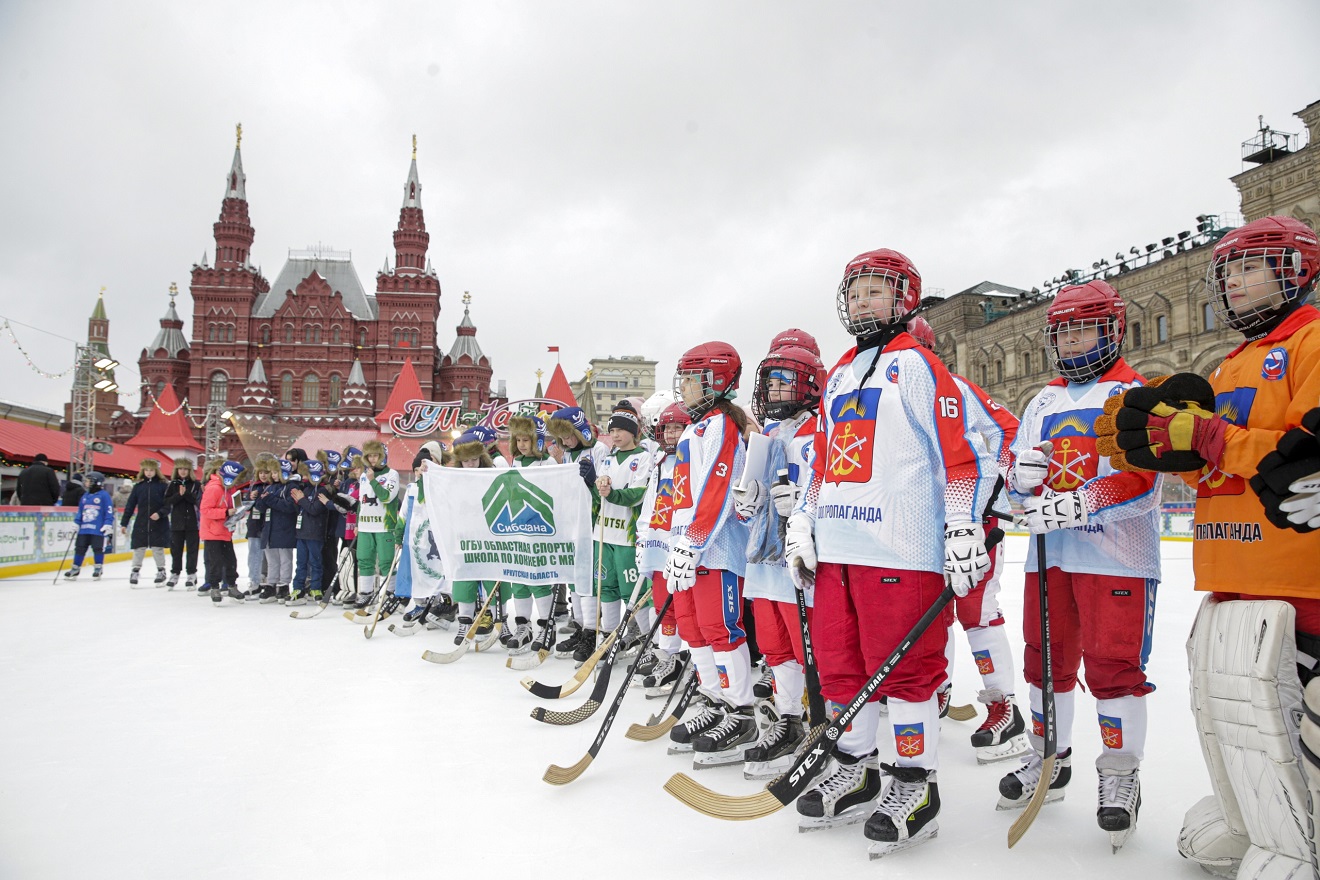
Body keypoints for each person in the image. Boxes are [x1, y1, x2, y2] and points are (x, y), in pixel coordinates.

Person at [1095, 216, 1320, 872]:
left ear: (1296, 270)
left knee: (1301, 713)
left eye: (1250, 267)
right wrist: (1163, 449)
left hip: (1296, 572)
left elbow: (1304, 450)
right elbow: (1213, 463)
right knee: (1238, 710)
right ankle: (1259, 817)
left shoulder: (1311, 341)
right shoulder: (1228, 363)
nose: (1233, 282)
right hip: (1230, 565)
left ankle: (1305, 834)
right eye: (1227, 271)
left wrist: (1215, 439)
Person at [783, 249, 1000, 853]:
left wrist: (962, 528)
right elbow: (820, 463)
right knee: (841, 666)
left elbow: (961, 459)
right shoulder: (842, 374)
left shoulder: (921, 366)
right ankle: (857, 768)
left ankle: (914, 783)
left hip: (902, 550)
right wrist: (802, 520)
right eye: (854, 293)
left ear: (905, 299)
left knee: (907, 674)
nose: (862, 302)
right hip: (838, 550)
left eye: (876, 292)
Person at [1001, 280, 1161, 851]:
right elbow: (1018, 481)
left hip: (1116, 556)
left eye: (1083, 328)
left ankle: (1119, 773)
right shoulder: (1042, 401)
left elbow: (1142, 480)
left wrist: (1078, 501)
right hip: (1051, 558)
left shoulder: (1136, 391)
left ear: (1113, 329)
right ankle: (1050, 755)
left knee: (1112, 665)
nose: (1071, 341)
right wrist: (1020, 486)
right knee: (1047, 660)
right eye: (1063, 330)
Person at [909, 315, 1027, 762]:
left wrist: (996, 486)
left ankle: (1003, 707)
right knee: (927, 613)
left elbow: (1009, 429)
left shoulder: (954, 387)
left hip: (969, 522)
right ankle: (936, 688)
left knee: (976, 611)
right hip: (919, 528)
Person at [732, 337, 825, 777]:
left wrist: (803, 507)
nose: (772, 390)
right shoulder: (766, 435)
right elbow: (750, 495)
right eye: (769, 381)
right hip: (763, 555)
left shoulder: (821, 428)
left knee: (808, 644)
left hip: (798, 557)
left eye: (783, 381)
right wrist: (747, 503)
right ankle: (789, 719)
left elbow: (832, 486)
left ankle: (821, 720)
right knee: (773, 644)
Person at [662, 341, 757, 768]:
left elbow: (716, 493)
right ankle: (716, 699)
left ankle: (742, 712)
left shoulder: (723, 424)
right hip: (686, 548)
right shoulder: (692, 428)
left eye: (689, 379)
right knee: (693, 628)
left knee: (720, 626)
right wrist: (673, 543)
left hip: (715, 549)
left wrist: (692, 543)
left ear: (714, 381)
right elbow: (681, 495)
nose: (682, 387)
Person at [587, 401, 656, 662]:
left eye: (620, 430)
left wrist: (612, 493)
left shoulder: (644, 458)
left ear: (633, 431)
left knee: (632, 592)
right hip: (603, 534)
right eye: (611, 430)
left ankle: (647, 642)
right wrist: (597, 485)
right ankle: (609, 638)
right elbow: (599, 494)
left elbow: (638, 495)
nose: (615, 435)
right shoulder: (607, 458)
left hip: (627, 537)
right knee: (606, 587)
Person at [545, 405, 611, 656]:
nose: (564, 441)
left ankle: (592, 632)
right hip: (572, 523)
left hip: (593, 522)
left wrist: (592, 479)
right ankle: (581, 626)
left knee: (590, 579)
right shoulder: (568, 455)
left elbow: (603, 487)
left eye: (568, 436)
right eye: (561, 438)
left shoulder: (599, 449)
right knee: (576, 578)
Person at [635, 402, 692, 693]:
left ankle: (686, 659)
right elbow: (650, 505)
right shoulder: (659, 464)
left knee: (683, 608)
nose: (670, 434)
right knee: (662, 606)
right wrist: (642, 537)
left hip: (679, 544)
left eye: (677, 428)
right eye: (667, 428)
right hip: (658, 546)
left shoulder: (693, 459)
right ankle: (666, 656)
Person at [354, 439, 401, 610]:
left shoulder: (392, 474)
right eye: (370, 456)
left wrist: (373, 480)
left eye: (376, 455)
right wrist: (358, 522)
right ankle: (366, 593)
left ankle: (391, 593)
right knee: (364, 559)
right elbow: (361, 501)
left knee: (386, 561)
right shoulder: (364, 476)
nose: (373, 459)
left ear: (382, 456)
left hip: (384, 525)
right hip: (366, 526)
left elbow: (387, 497)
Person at [200, 460, 243, 604]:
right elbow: (205, 510)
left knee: (231, 561)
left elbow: (232, 507)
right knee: (215, 562)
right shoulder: (213, 488)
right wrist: (225, 512)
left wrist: (238, 512)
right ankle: (214, 587)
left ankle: (231, 585)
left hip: (225, 531)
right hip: (213, 532)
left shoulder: (229, 489)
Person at [121, 458, 170, 586]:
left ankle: (161, 570)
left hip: (158, 522)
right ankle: (135, 570)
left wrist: (160, 514)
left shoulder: (163, 486)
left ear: (156, 471)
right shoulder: (138, 487)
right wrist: (124, 523)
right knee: (139, 547)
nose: (148, 472)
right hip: (141, 521)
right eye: (146, 470)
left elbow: (168, 505)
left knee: (157, 547)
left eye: (151, 470)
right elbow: (130, 506)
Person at [288, 460, 328, 605]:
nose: (304, 476)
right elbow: (300, 509)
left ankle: (316, 588)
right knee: (301, 563)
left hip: (315, 534)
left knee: (315, 562)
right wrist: (296, 500)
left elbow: (314, 510)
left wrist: (301, 500)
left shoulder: (322, 491)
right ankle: (298, 588)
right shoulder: (305, 489)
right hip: (302, 533)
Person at [63, 472, 113, 579]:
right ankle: (75, 568)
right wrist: (77, 522)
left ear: (96, 482)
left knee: (98, 548)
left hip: (97, 529)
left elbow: (109, 511)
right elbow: (80, 511)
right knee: (80, 548)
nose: (86, 482)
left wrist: (108, 524)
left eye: (89, 480)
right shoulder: (85, 496)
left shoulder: (104, 495)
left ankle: (98, 568)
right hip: (84, 529)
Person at [160, 457, 201, 588]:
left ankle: (191, 574)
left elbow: (198, 500)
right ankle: (175, 572)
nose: (183, 472)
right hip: (177, 523)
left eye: (185, 469)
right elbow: (167, 501)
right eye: (180, 469)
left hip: (192, 523)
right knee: (176, 550)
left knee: (192, 550)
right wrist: (178, 495)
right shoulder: (172, 484)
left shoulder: (196, 484)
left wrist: (186, 494)